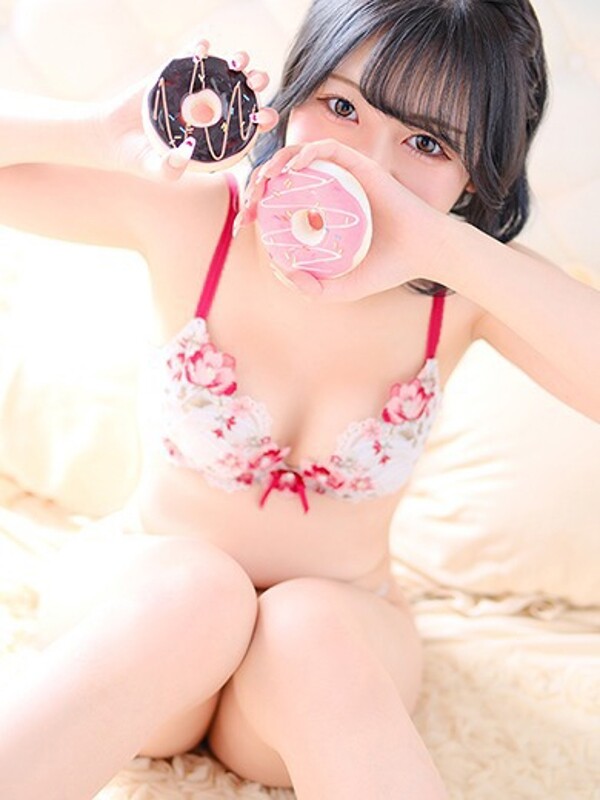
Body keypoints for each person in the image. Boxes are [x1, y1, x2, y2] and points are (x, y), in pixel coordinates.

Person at [0, 1, 598, 798]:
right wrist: (97, 131)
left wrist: (447, 246)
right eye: (341, 106)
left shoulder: (462, 295)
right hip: (143, 600)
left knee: (306, 626)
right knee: (198, 592)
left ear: (477, 173)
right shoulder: (201, 216)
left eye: (428, 143)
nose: (366, 163)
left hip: (336, 642)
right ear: (294, 91)